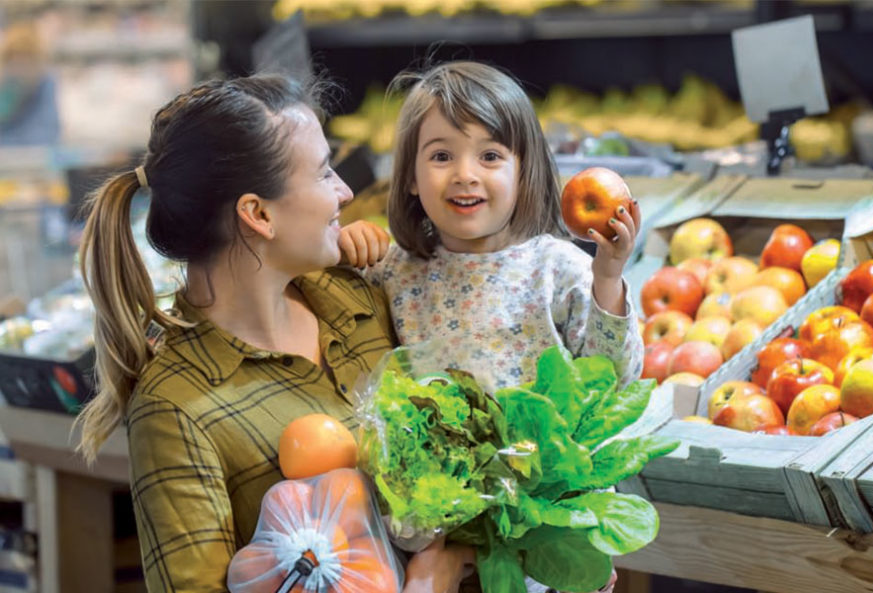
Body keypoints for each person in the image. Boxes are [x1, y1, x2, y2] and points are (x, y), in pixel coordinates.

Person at [76, 74, 473, 593]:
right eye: (324, 172)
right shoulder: (175, 409)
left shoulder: (357, 299)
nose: (346, 192)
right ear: (258, 214)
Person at [339, 61, 640, 592]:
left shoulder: (560, 268)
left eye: (491, 155)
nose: (465, 173)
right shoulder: (396, 269)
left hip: (544, 519)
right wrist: (351, 244)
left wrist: (609, 276)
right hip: (442, 529)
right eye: (440, 155)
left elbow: (613, 378)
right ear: (408, 176)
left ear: (525, 172)